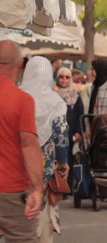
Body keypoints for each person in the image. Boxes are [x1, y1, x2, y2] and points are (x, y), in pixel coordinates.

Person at [20, 56, 70, 243]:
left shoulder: (18, 97)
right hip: (45, 169)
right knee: (43, 210)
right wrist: (63, 163)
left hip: (17, 166)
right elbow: (61, 137)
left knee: (20, 212)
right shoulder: (55, 102)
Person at [0, 40, 44, 243]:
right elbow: (29, 144)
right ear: (20, 65)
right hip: (11, 190)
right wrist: (37, 188)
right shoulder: (22, 100)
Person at [53, 67, 84, 192]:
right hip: (54, 132)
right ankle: (56, 186)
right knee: (55, 160)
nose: (64, 80)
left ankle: (67, 187)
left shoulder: (75, 96)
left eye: (67, 77)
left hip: (70, 133)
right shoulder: (52, 94)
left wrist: (78, 131)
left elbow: (80, 114)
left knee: (68, 161)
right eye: (61, 77)